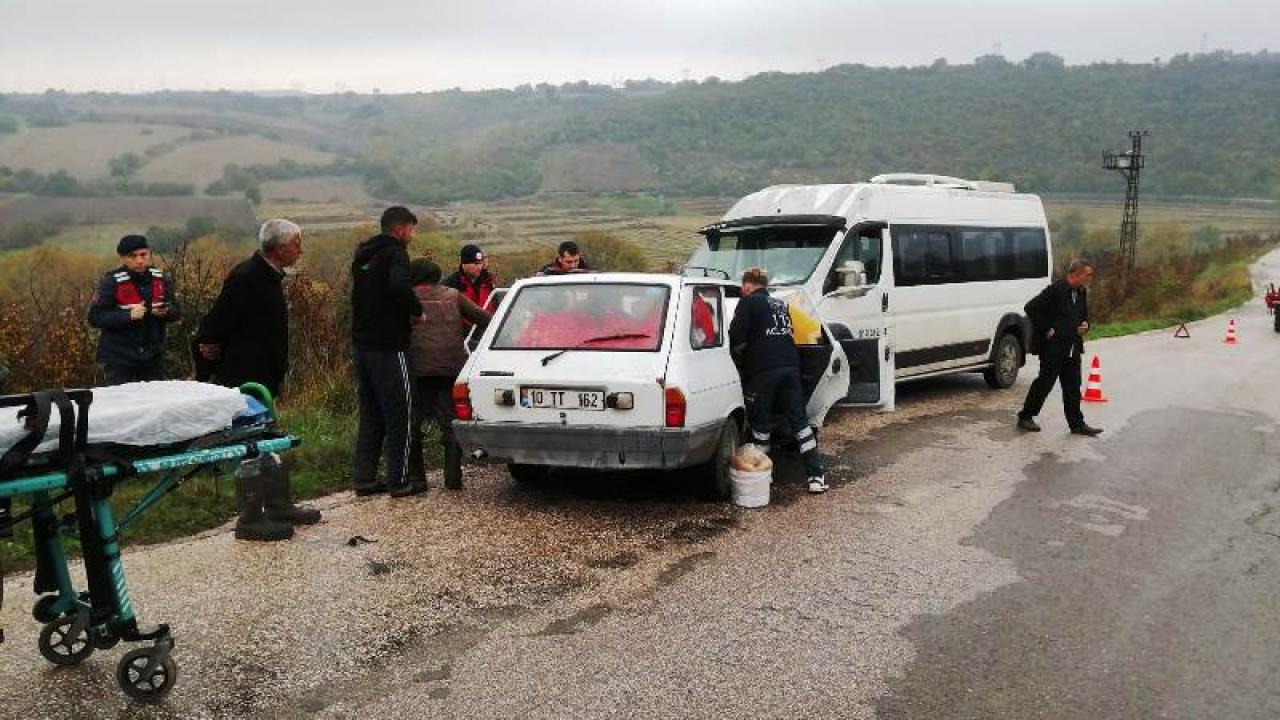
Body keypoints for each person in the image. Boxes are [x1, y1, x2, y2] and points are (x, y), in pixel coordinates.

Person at [195, 219, 319, 540]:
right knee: (250, 442)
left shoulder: (270, 277)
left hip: (265, 375)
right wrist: (209, 352)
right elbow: (214, 325)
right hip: (245, 378)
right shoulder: (246, 277)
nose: (300, 250)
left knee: (269, 437)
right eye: (296, 244)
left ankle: (278, 505)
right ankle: (250, 519)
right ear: (279, 248)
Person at [728, 267, 827, 493]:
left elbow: (736, 338)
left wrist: (739, 359)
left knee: (761, 427)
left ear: (747, 286)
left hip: (763, 371)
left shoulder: (748, 302)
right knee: (801, 425)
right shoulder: (781, 305)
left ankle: (763, 477)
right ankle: (816, 477)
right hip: (791, 369)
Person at [351, 206, 425, 498]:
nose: (413, 235)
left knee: (371, 412)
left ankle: (365, 478)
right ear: (401, 229)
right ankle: (399, 480)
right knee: (402, 412)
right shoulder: (395, 253)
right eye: (412, 229)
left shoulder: (363, 254)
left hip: (361, 344)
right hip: (390, 345)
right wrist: (416, 311)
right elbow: (398, 285)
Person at [406, 259, 491, 490]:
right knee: (450, 423)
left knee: (412, 423)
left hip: (417, 368)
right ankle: (453, 479)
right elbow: (485, 319)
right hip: (450, 367)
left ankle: (417, 479)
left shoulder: (406, 297)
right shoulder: (453, 295)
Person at [1017, 258, 1103, 436]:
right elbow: (1031, 308)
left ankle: (1077, 424)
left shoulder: (1081, 292)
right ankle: (1026, 416)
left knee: (1073, 387)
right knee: (1044, 384)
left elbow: (1083, 317)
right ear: (1076, 274)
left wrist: (1086, 325)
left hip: (1073, 347)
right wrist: (1047, 328)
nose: (1089, 279)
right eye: (1087, 275)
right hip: (1053, 348)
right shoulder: (1055, 290)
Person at [87, 234, 181, 385]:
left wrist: (166, 312)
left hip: (152, 357)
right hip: (119, 358)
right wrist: (127, 316)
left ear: (149, 254)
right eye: (132, 256)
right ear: (123, 258)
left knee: (154, 403)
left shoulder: (161, 279)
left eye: (143, 255)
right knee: (122, 403)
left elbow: (177, 312)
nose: (139, 260)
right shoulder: (111, 281)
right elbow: (95, 317)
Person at [443, 244, 496, 315]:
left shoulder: (488, 283)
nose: (479, 267)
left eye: (481, 263)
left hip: (490, 325)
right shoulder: (450, 285)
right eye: (475, 264)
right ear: (464, 264)